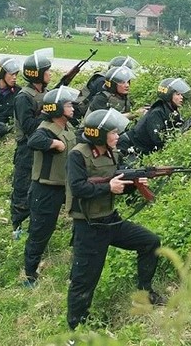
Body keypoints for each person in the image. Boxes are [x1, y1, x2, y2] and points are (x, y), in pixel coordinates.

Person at [66, 108, 164, 329]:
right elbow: (78, 187)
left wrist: (135, 184)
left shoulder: (113, 153)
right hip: (89, 226)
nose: (118, 135)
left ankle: (145, 292)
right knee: (84, 279)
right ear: (99, 134)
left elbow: (119, 183)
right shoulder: (78, 155)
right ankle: (76, 326)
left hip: (111, 220)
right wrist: (108, 187)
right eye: (113, 132)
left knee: (150, 242)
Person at [22, 85, 80, 286]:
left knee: (81, 222)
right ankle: (30, 275)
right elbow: (34, 141)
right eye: (68, 105)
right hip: (46, 188)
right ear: (56, 109)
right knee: (40, 231)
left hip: (67, 186)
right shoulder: (45, 129)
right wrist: (54, 144)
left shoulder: (68, 127)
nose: (72, 107)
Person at [11, 50, 54, 238]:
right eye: (47, 71)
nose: (50, 75)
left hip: (43, 146)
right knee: (22, 187)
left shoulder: (46, 93)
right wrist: (48, 114)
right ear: (37, 74)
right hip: (26, 149)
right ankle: (18, 226)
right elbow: (28, 126)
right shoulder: (24, 97)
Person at [120, 77, 191, 157]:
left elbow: (180, 127)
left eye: (182, 94)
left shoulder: (171, 110)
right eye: (178, 94)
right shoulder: (157, 113)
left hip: (140, 150)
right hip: (128, 146)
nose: (181, 97)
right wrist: (181, 136)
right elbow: (159, 140)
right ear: (169, 94)